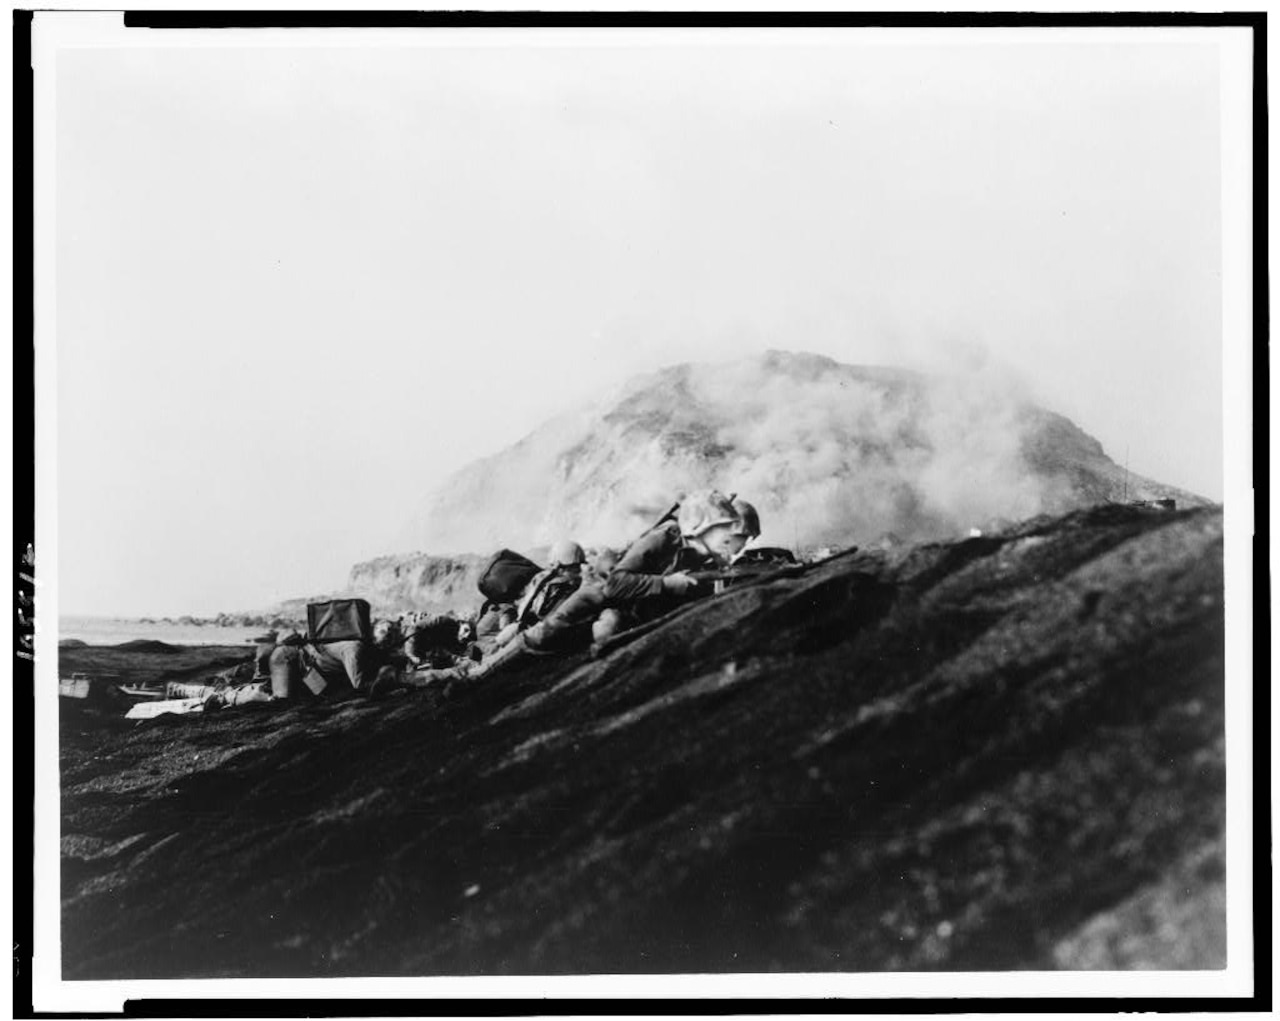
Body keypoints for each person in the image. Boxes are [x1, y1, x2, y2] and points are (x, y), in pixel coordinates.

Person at [461, 490, 758, 678]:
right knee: (543, 636)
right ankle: (479, 675)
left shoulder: (700, 550)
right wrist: (668, 585)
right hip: (597, 596)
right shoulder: (663, 538)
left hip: (631, 603)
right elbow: (616, 584)